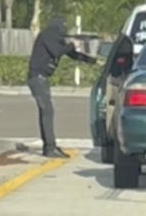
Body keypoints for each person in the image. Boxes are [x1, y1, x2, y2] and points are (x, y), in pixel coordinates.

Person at [28, 16, 96, 157]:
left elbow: (71, 54)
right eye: (63, 28)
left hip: (43, 79)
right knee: (47, 111)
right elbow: (58, 52)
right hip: (37, 78)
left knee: (46, 112)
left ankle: (50, 146)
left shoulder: (54, 38)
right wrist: (73, 44)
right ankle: (50, 147)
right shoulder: (47, 35)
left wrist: (89, 59)